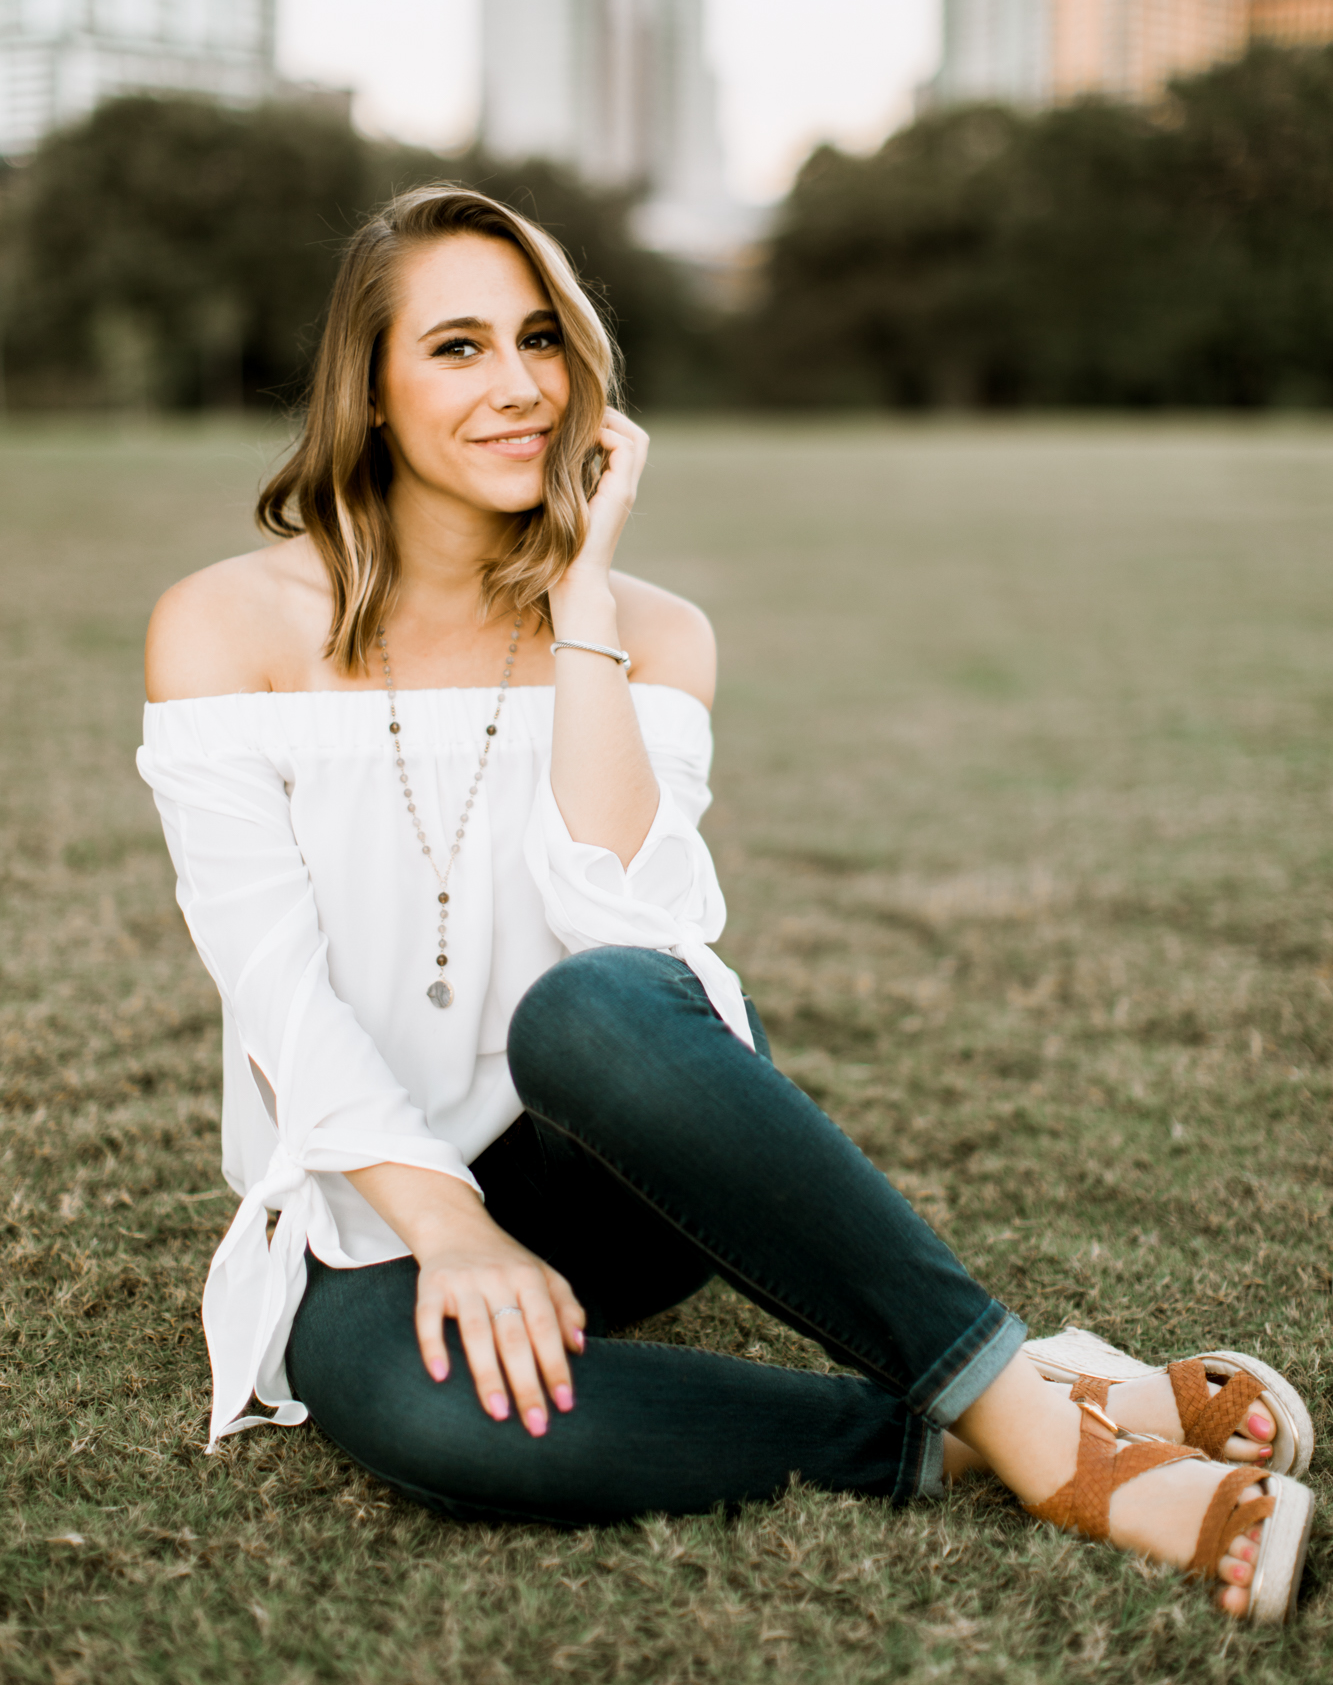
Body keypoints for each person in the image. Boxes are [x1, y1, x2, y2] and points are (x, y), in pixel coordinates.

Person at [138, 184, 1312, 1622]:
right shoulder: (225, 629)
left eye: (539, 340)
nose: (517, 387)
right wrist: (445, 1224)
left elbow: (633, 946)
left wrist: (582, 615)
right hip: (366, 1211)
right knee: (403, 1408)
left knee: (596, 1006)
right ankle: (1012, 1417)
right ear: (369, 392)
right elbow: (274, 992)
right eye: (456, 348)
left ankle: (1052, 1444)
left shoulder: (656, 633)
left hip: (615, 1165)